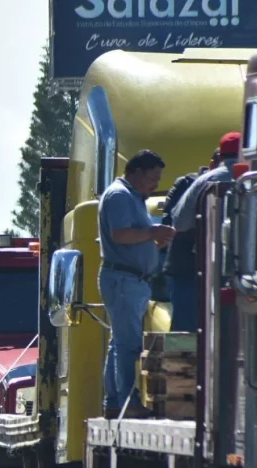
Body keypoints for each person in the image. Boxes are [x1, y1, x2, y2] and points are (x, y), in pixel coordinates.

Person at [98, 149, 176, 417]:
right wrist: (152, 232)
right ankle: (127, 403)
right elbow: (119, 234)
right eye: (152, 179)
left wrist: (152, 241)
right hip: (124, 278)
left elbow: (131, 236)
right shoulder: (120, 195)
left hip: (129, 279)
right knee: (128, 345)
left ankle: (114, 401)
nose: (155, 185)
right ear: (136, 172)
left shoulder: (132, 195)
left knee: (119, 343)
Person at [167, 133, 241, 331]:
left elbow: (180, 222)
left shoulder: (204, 181)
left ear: (220, 155)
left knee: (188, 334)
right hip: (246, 273)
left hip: (200, 270)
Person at [161, 162, 210, 332]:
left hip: (215, 270)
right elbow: (172, 222)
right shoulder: (187, 184)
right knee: (184, 331)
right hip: (185, 268)